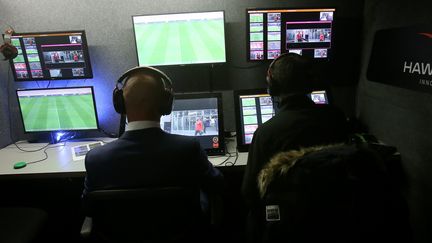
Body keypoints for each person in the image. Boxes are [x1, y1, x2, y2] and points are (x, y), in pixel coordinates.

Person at [82, 66, 223, 213]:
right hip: (180, 234)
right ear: (165, 104)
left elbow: (88, 206)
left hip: (117, 235)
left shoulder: (95, 158)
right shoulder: (189, 148)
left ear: (120, 104)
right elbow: (217, 184)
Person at [241, 53, 348, 242]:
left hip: (287, 225)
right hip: (333, 218)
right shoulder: (337, 118)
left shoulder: (266, 133)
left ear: (272, 86)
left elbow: (250, 192)